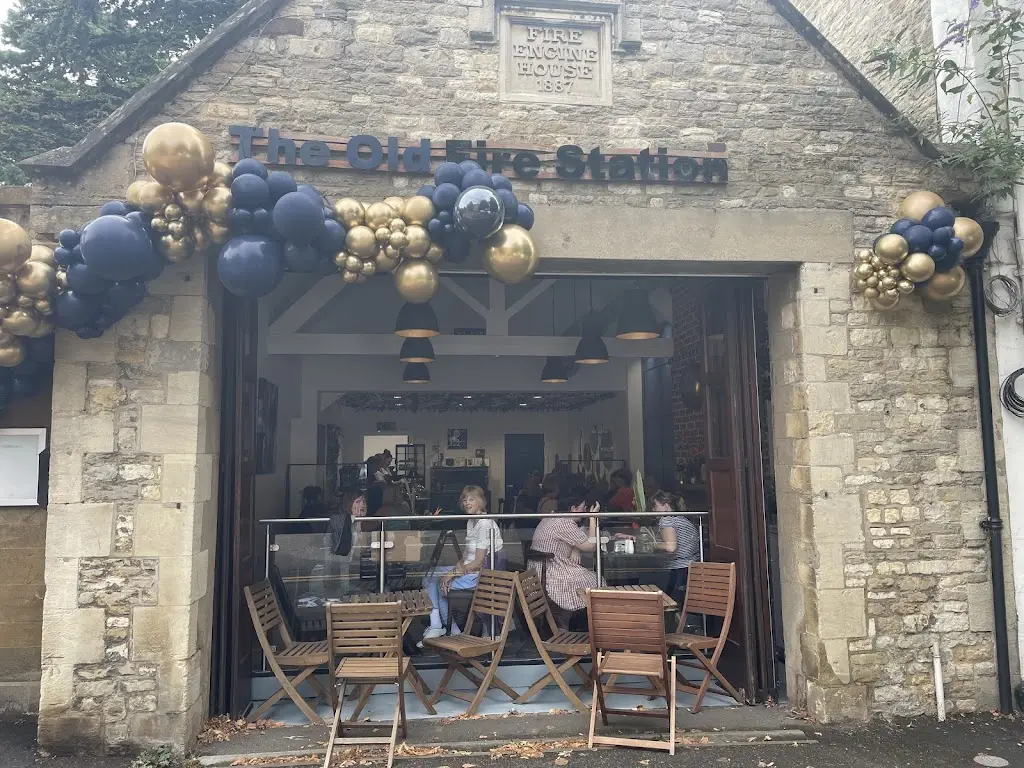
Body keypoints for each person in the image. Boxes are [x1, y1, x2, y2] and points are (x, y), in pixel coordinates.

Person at [420, 486, 504, 644]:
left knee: (438, 581)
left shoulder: (485, 523)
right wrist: (454, 569)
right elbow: (466, 555)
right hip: (470, 569)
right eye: (465, 499)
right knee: (431, 574)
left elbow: (479, 561)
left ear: (480, 502)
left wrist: (451, 575)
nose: (467, 503)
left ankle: (445, 627)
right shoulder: (472, 521)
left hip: (482, 575)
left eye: (471, 499)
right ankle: (441, 625)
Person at [529, 491, 602, 622]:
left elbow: (572, 538)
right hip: (553, 575)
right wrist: (593, 518)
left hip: (539, 572)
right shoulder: (565, 523)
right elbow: (591, 546)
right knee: (597, 580)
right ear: (573, 508)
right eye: (583, 507)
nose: (585, 510)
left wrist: (575, 548)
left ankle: (576, 621)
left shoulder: (551, 517)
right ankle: (595, 623)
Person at [651, 490, 700, 600]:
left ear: (666, 506)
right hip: (690, 565)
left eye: (655, 506)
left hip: (679, 567)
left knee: (667, 601)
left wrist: (652, 545)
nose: (653, 510)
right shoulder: (681, 519)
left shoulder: (666, 520)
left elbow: (670, 547)